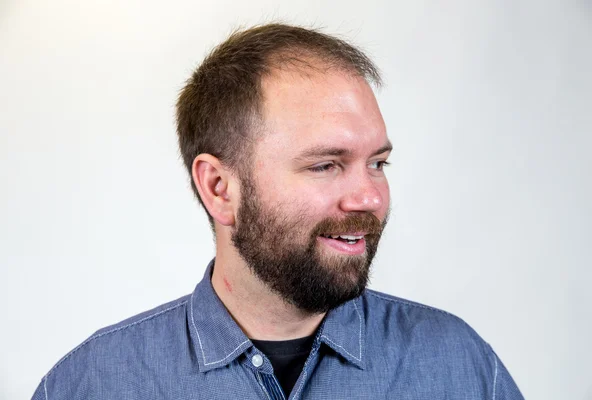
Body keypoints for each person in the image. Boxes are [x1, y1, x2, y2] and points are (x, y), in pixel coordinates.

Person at [32, 23, 524, 400]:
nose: (370, 198)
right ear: (220, 188)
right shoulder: (92, 384)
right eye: (326, 165)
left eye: (378, 163)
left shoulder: (460, 367)